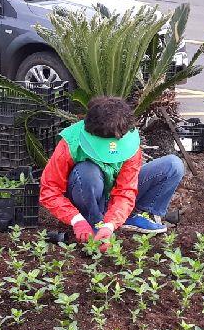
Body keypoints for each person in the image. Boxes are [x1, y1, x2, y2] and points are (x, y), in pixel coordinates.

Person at [39, 95, 184, 243]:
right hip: (87, 193)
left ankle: (135, 216)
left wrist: (110, 224)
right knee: (87, 173)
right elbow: (49, 190)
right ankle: (93, 220)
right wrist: (76, 220)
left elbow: (126, 189)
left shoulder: (129, 142)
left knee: (173, 165)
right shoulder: (72, 141)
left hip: (114, 198)